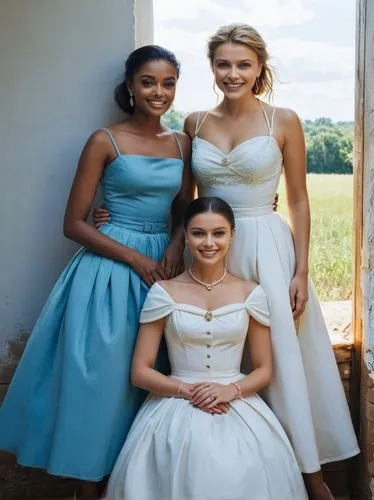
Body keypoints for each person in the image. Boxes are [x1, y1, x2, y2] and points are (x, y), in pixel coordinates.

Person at [0, 45, 192, 499]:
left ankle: (132, 486)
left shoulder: (183, 144)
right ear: (129, 86)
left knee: (147, 380)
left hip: (161, 274)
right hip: (108, 272)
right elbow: (73, 224)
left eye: (168, 83)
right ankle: (85, 488)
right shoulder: (104, 140)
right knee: (101, 384)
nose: (158, 92)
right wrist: (133, 256)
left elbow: (185, 210)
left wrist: (176, 243)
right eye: (148, 82)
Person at [184, 24, 359, 500]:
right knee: (214, 351)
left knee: (280, 357)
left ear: (261, 67)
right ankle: (224, 474)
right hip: (208, 247)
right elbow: (184, 200)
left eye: (243, 64)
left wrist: (301, 270)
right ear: (213, 68)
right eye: (223, 64)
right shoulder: (195, 123)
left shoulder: (283, 120)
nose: (232, 73)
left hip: (266, 247)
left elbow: (299, 200)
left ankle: (309, 476)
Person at [105, 196, 308, 500]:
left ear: (232, 235)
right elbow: (140, 372)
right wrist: (188, 391)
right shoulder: (164, 292)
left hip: (235, 401)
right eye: (199, 233)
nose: (208, 242)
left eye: (218, 233)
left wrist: (231, 391)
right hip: (175, 403)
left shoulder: (250, 293)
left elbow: (265, 369)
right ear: (185, 236)